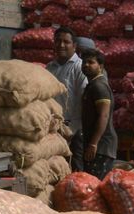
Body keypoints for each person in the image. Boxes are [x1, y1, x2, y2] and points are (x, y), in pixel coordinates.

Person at [47, 27, 87, 172]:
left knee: (77, 170)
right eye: (58, 41)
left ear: (74, 46)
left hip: (75, 130)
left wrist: (75, 129)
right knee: (58, 169)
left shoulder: (80, 67)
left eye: (66, 42)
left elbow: (85, 99)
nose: (61, 45)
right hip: (55, 129)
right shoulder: (50, 68)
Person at [79, 48, 117, 179]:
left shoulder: (99, 86)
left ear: (100, 66)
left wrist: (93, 143)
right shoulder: (92, 85)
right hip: (96, 144)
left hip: (101, 146)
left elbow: (103, 115)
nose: (86, 65)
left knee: (96, 185)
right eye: (84, 62)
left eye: (91, 62)